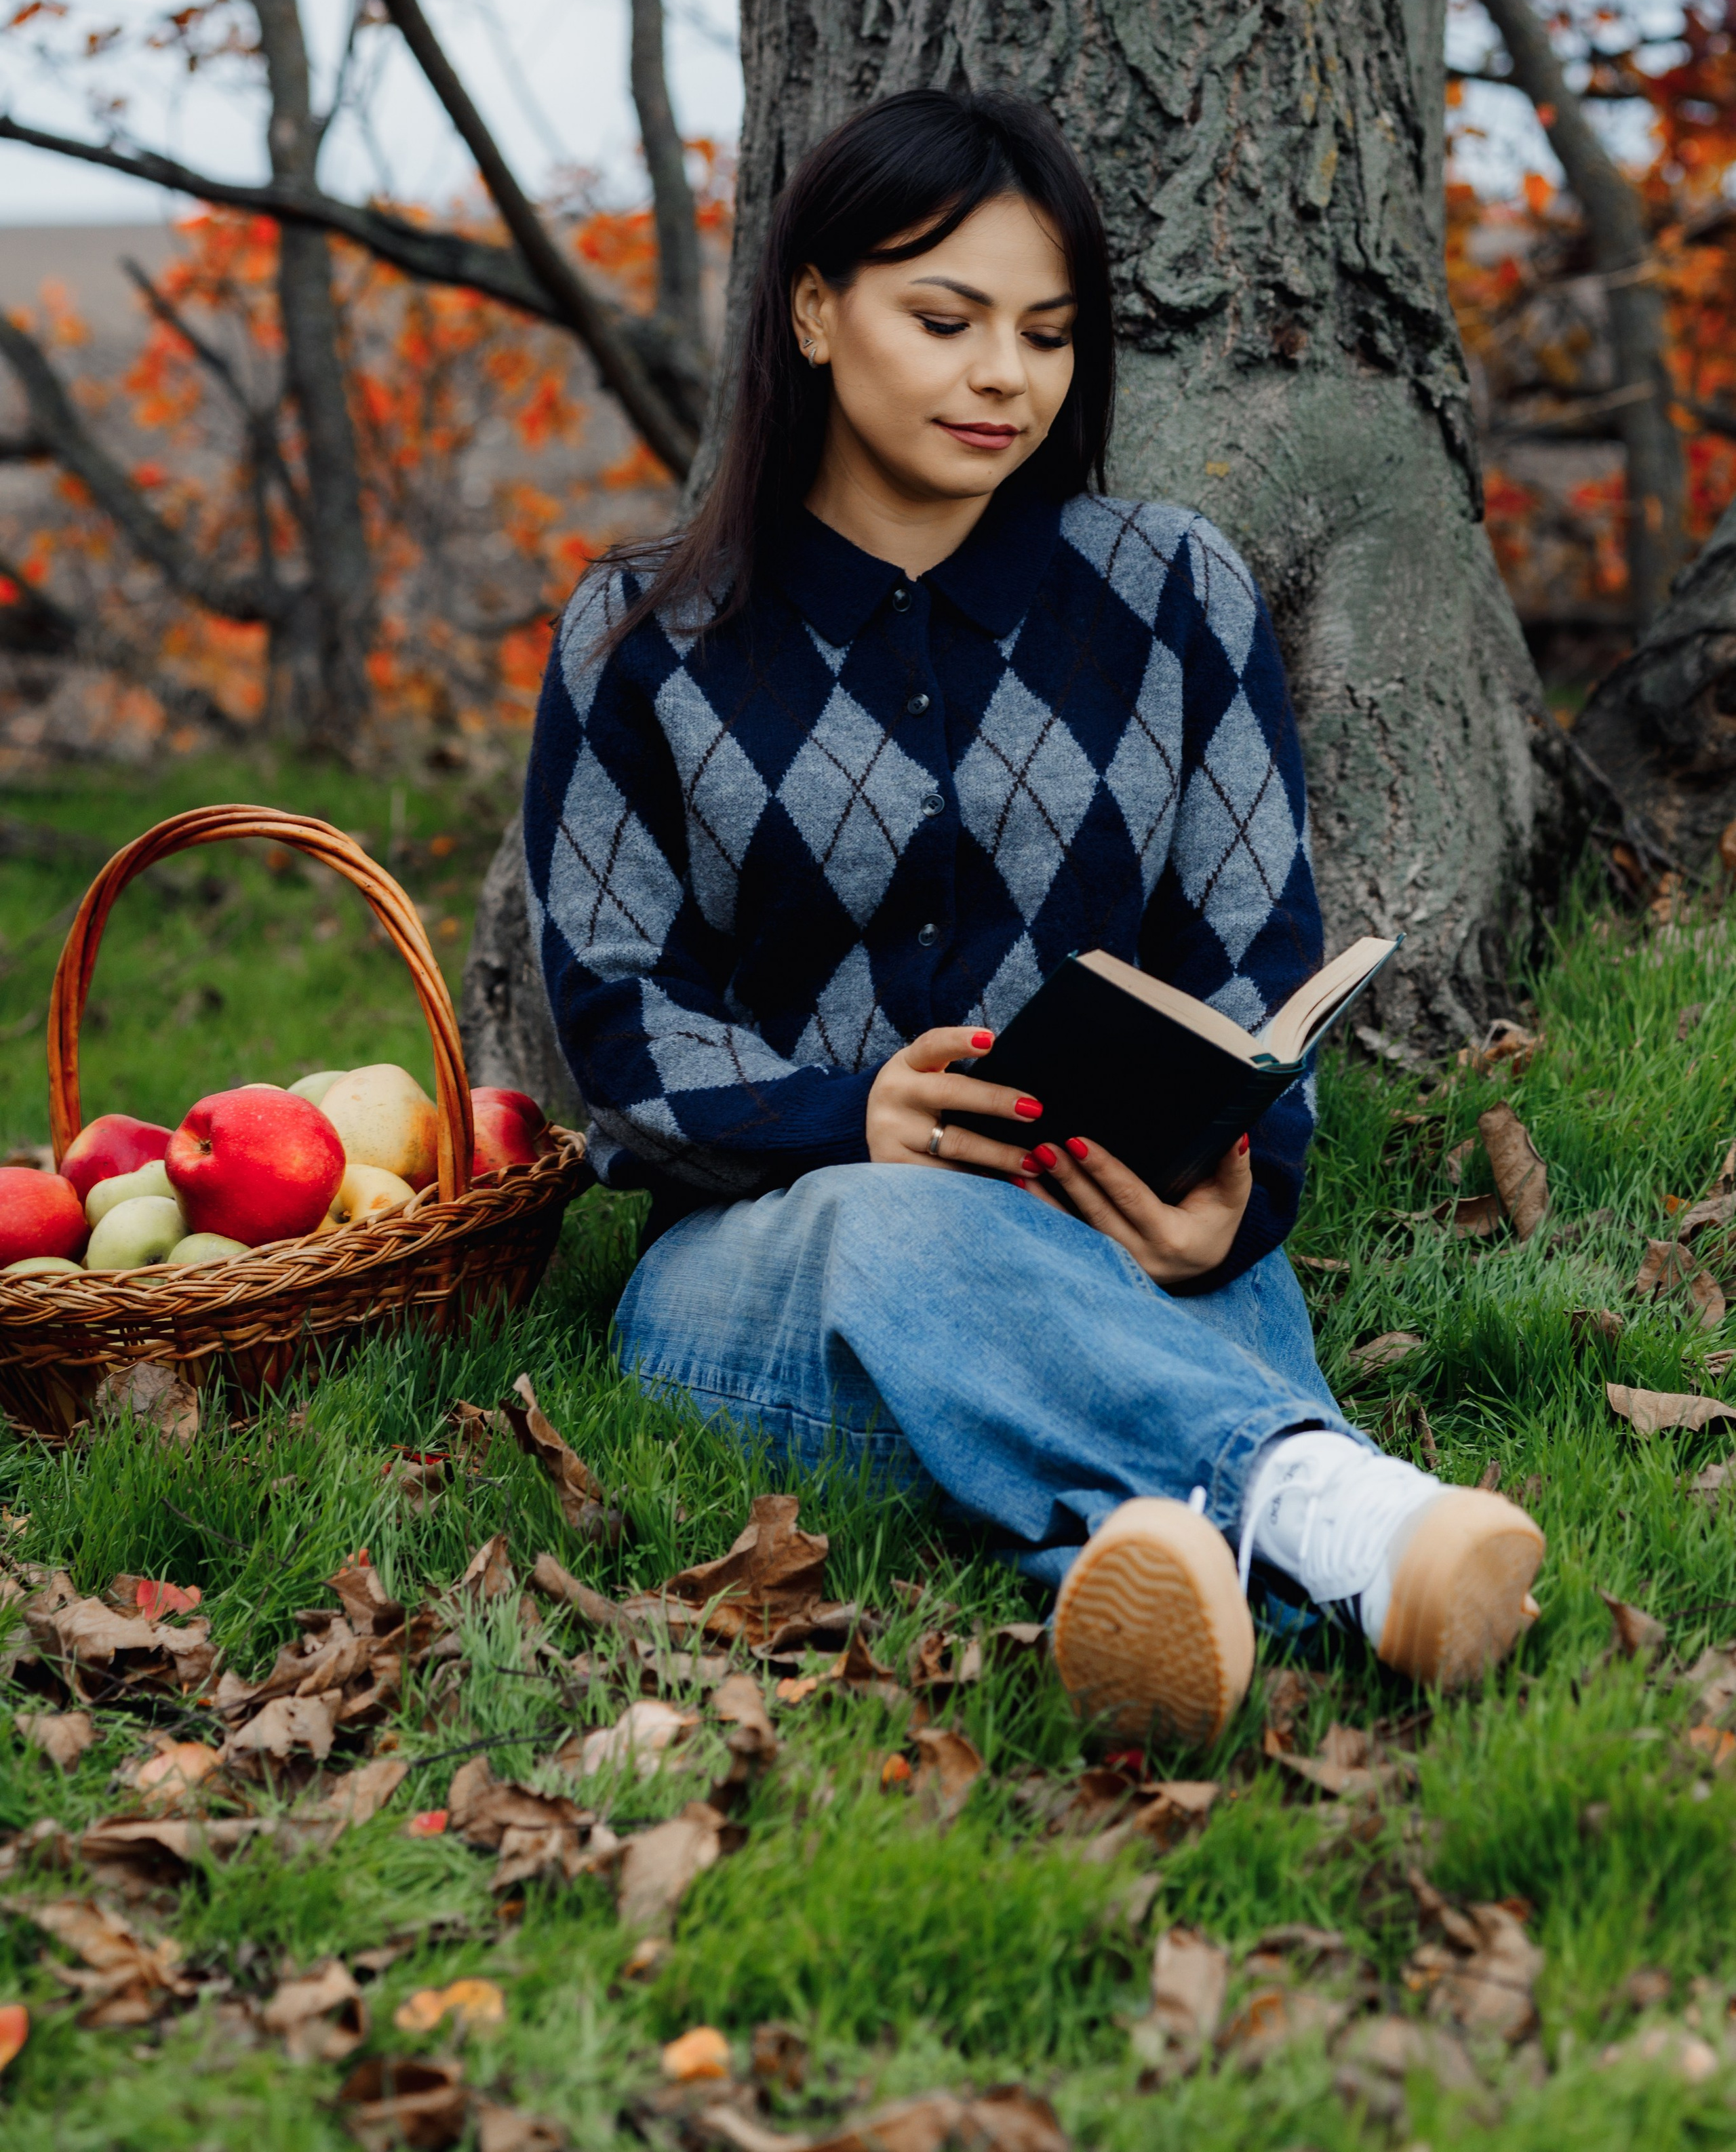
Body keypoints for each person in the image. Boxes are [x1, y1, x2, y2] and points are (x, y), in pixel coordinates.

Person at [523, 89, 1545, 1743]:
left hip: (1127, 1229)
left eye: (1048, 335)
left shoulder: (1165, 596)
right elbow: (615, 1020)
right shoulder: (646, 637)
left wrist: (1238, 1195)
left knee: (1172, 1291)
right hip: (777, 1253)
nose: (1003, 374)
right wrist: (843, 1115)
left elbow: (1247, 957)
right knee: (896, 1226)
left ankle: (1129, 1581)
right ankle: (1328, 1513)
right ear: (811, 312)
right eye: (945, 319)